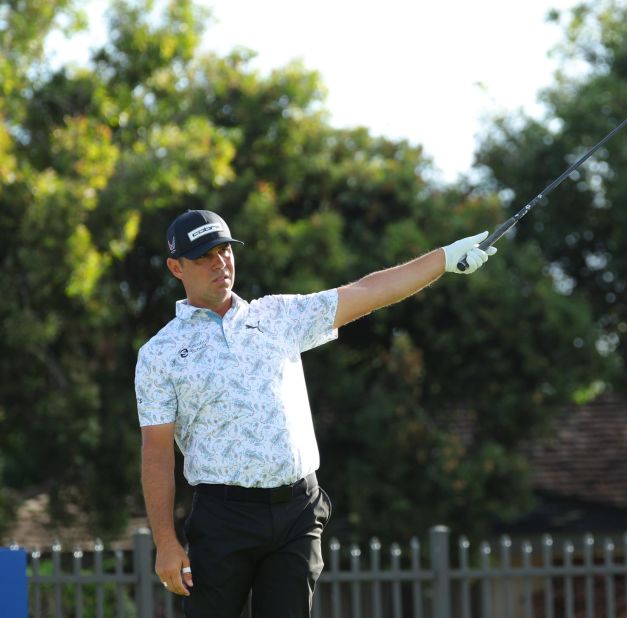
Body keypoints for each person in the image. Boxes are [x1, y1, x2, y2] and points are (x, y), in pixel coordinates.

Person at [134, 209, 496, 617]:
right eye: (204, 257)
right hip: (223, 518)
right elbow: (157, 452)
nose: (220, 263)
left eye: (224, 251)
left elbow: (367, 291)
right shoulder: (159, 355)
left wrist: (443, 259)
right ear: (175, 267)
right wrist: (165, 542)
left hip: (297, 512)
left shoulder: (277, 316)